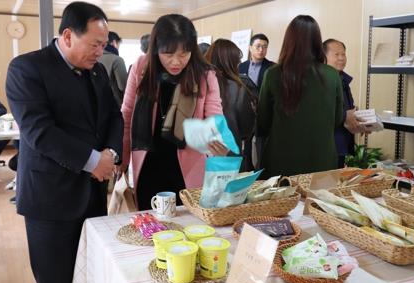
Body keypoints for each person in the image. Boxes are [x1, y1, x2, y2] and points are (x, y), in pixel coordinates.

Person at [5, 2, 123, 283]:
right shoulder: (27, 68)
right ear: (68, 35)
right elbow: (40, 131)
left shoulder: (96, 72)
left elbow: (114, 115)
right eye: (95, 44)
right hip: (51, 201)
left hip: (92, 195)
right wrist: (94, 161)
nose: (100, 52)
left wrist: (110, 153)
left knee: (91, 276)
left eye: (104, 44)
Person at [120, 14, 225, 210]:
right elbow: (127, 115)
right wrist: (122, 159)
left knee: (188, 223)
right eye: (168, 54)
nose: (176, 62)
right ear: (156, 49)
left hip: (188, 164)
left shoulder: (204, 74)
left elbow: (215, 116)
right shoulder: (141, 68)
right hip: (148, 162)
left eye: (184, 54)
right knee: (151, 223)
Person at [257, 15, 343, 178]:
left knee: (282, 204)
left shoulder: (273, 74)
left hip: (281, 162)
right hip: (322, 162)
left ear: (288, 40)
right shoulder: (332, 75)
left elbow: (263, 121)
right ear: (318, 41)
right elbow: (337, 119)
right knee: (316, 203)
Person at [204, 39, 258, 171]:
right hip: (229, 152)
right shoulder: (239, 87)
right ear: (231, 62)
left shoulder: (199, 85)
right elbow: (246, 128)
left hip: (200, 154)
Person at [323, 38, 369, 167]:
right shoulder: (321, 81)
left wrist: (360, 121)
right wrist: (346, 116)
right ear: (324, 57)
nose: (341, 58)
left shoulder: (343, 79)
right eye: (336, 54)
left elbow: (348, 109)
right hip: (327, 146)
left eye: (343, 54)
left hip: (341, 144)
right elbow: (323, 112)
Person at [99, 31, 128, 107]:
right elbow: (124, 87)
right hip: (113, 106)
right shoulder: (117, 60)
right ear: (114, 42)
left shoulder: (92, 58)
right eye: (119, 44)